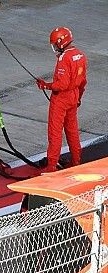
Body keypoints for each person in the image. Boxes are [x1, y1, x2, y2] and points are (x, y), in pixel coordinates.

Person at [36, 27, 87, 172]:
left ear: (61, 42)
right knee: (72, 130)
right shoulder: (81, 55)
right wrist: (78, 98)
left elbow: (62, 84)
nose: (55, 48)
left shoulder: (64, 59)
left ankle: (51, 166)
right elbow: (83, 81)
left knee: (55, 132)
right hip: (74, 95)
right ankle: (76, 161)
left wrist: (46, 85)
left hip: (61, 99)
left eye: (55, 44)